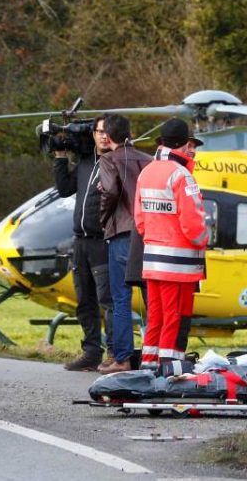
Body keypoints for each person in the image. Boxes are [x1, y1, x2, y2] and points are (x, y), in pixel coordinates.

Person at [134, 118, 208, 375]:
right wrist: (204, 240)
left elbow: (140, 219)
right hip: (178, 264)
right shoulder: (181, 175)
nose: (193, 150)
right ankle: (169, 370)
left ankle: (148, 365)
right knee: (174, 318)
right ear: (182, 144)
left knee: (155, 317)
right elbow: (193, 224)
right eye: (190, 144)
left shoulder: (146, 171)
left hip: (153, 259)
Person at [53, 116, 114, 371]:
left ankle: (114, 352)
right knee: (84, 299)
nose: (102, 136)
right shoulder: (87, 163)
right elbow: (65, 188)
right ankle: (91, 352)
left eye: (107, 132)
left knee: (107, 300)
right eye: (98, 131)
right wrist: (59, 157)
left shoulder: (116, 164)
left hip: (102, 242)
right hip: (80, 242)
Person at [97, 114, 152, 374]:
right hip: (149, 234)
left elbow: (109, 191)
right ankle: (156, 355)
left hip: (122, 234)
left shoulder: (108, 160)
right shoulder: (148, 160)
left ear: (107, 136)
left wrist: (103, 217)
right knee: (152, 297)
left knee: (121, 298)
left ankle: (122, 358)